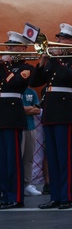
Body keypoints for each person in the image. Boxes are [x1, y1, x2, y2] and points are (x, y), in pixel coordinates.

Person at [31, 23, 72, 210]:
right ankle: (55, 195)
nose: (59, 41)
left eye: (62, 38)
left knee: (65, 156)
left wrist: (54, 58)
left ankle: (66, 196)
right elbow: (35, 82)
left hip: (65, 111)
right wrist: (41, 62)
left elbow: (68, 76)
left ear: (71, 41)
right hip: (51, 111)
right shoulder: (52, 61)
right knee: (53, 157)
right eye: (59, 38)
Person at [0, 32, 35, 209]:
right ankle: (4, 194)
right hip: (1, 114)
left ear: (22, 48)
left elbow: (13, 84)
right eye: (8, 46)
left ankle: (16, 196)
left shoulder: (25, 67)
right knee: (2, 159)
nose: (8, 49)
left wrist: (6, 63)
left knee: (13, 158)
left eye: (13, 46)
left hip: (12, 114)